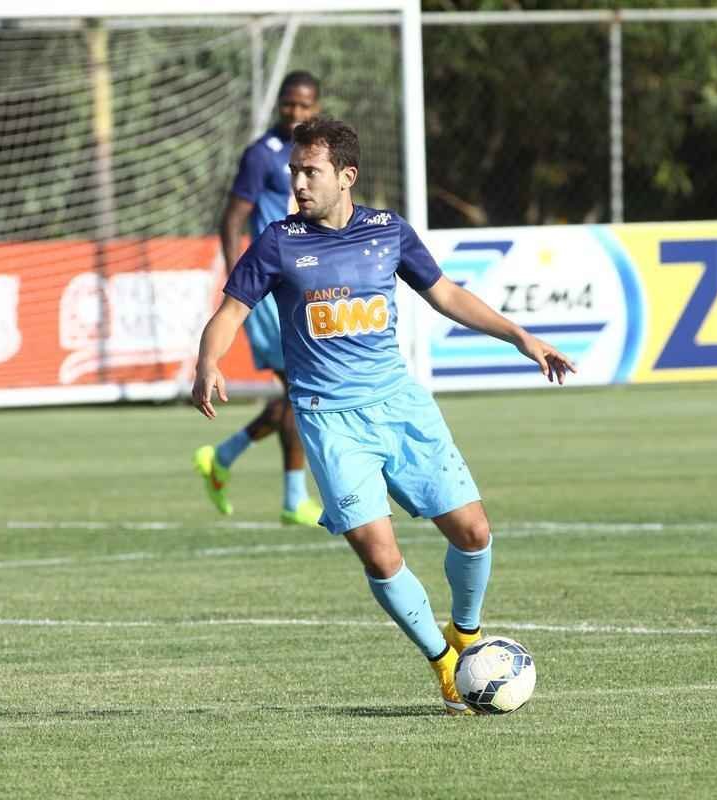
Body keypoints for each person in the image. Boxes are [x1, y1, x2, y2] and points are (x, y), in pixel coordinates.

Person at [190, 118, 575, 714]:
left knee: (474, 532)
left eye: (310, 172)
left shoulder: (388, 231)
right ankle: (445, 666)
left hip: (400, 406)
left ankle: (466, 633)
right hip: (329, 419)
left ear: (347, 176)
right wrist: (208, 361)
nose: (298, 183)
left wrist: (520, 337)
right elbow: (230, 312)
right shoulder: (277, 242)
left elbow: (447, 295)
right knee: (378, 551)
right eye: (294, 171)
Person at [193, 70, 324, 527]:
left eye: (304, 105)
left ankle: (223, 457)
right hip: (268, 290)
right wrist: (244, 286)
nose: (295, 112)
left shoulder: (315, 154)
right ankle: (293, 498)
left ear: (316, 107)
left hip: (303, 284)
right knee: (303, 389)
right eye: (289, 103)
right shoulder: (261, 154)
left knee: (303, 391)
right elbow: (232, 220)